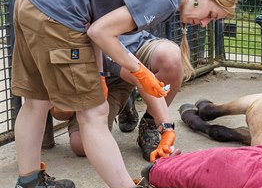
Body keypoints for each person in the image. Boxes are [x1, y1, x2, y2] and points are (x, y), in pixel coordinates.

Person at [11, 0, 238, 188]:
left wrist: (99, 75)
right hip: (58, 14)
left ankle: (29, 183)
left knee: (36, 101)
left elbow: (92, 27)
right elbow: (99, 32)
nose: (204, 23)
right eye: (210, 15)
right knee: (93, 115)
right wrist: (140, 72)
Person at [51, 30, 188, 161]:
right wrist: (68, 104)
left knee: (167, 59)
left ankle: (148, 124)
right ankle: (125, 103)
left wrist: (166, 129)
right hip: (89, 86)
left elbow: (141, 80)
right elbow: (58, 114)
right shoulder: (52, 45)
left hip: (119, 65)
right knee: (81, 145)